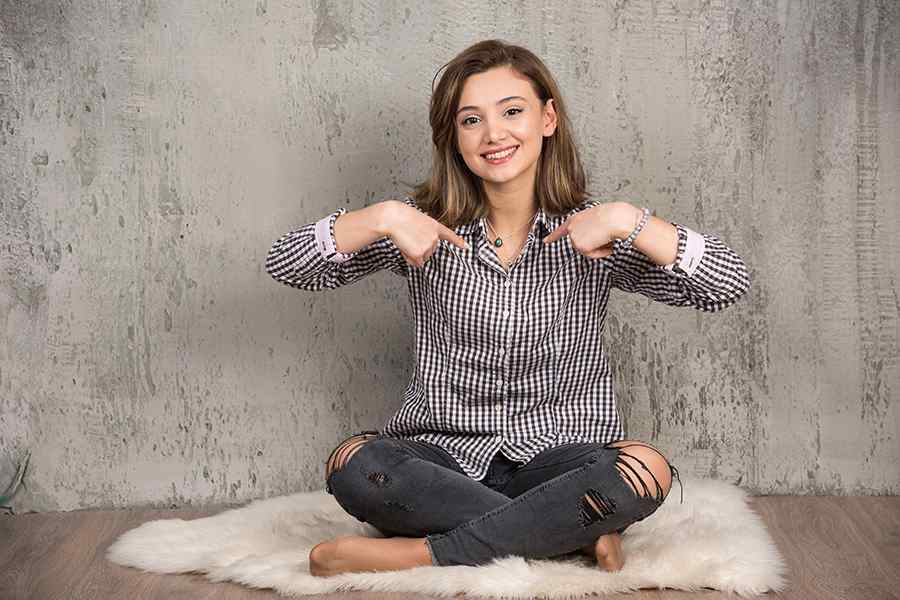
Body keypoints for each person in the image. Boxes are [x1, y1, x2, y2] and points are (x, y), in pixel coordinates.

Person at [264, 39, 750, 577]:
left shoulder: (596, 231)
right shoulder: (421, 226)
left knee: (645, 469)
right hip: (439, 462)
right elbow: (287, 265)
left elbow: (725, 283)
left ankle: (422, 552)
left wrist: (629, 219)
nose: (494, 134)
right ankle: (569, 536)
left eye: (512, 112)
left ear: (547, 118)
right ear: (454, 137)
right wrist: (378, 216)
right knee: (355, 463)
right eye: (471, 120)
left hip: (559, 460)